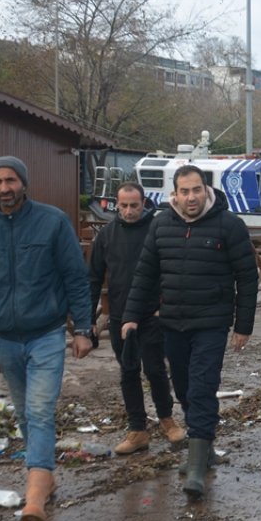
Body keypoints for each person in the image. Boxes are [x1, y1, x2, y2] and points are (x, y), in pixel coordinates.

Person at [0, 156, 94, 521]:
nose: (4, 188)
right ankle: (45, 478)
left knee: (39, 410)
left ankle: (34, 499)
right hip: (4, 338)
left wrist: (83, 328)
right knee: (23, 413)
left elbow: (76, 278)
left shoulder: (52, 222)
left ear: (24, 183)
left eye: (11, 180)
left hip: (46, 333)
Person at [122, 165, 258, 499]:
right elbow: (145, 274)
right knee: (182, 386)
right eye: (184, 191)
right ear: (175, 193)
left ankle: (195, 466)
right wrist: (131, 316)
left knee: (202, 387)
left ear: (205, 189)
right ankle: (205, 446)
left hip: (211, 322)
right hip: (172, 322)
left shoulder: (229, 225)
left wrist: (243, 325)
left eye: (196, 189)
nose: (191, 197)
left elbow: (248, 276)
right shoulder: (161, 225)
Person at [88, 182, 185, 455]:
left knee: (155, 369)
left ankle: (166, 418)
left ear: (144, 203)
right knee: (128, 371)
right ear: (116, 205)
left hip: (153, 313)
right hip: (119, 315)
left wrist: (165, 305)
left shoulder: (156, 230)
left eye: (134, 205)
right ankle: (137, 428)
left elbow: (173, 268)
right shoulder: (106, 235)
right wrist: (88, 321)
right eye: (124, 206)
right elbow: (93, 278)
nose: (129, 211)